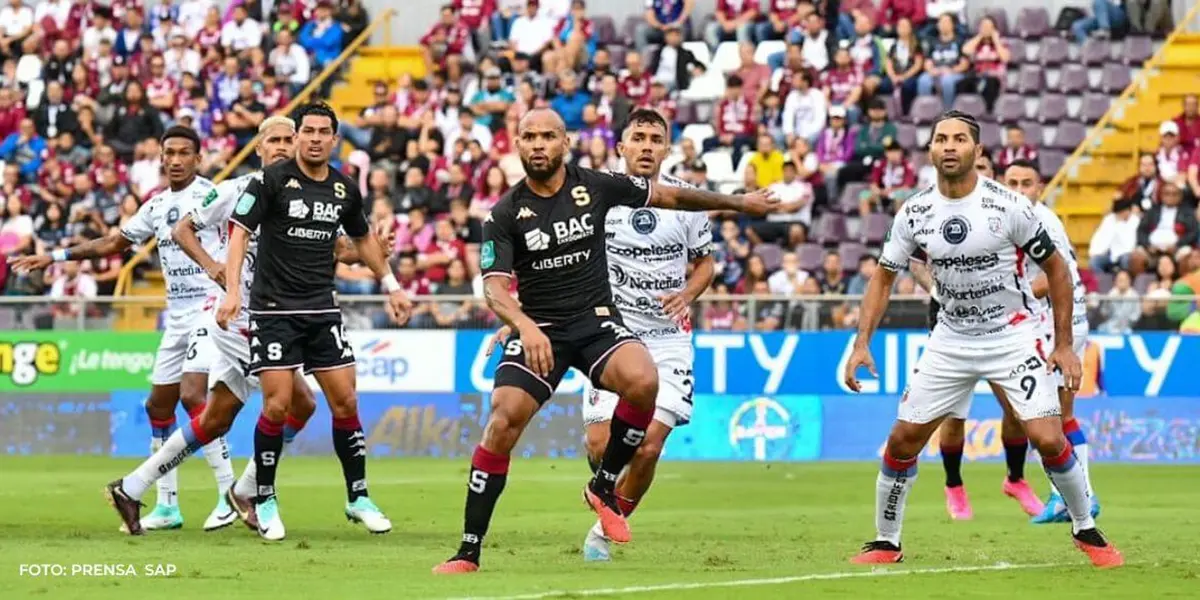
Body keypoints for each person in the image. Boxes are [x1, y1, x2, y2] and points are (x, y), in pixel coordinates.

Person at [432, 107, 777, 574]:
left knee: (642, 382)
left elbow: (672, 196)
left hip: (597, 323)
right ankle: (468, 550)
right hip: (542, 330)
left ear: (565, 142)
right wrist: (522, 323)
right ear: (516, 145)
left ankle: (603, 488)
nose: (538, 145)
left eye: (548, 136)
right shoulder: (504, 213)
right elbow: (493, 287)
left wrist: (739, 203)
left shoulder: (596, 186)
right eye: (529, 137)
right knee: (503, 420)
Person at [843, 111, 1121, 568]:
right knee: (902, 440)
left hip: (1012, 335)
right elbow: (883, 277)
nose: (948, 146)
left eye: (958, 139)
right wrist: (861, 343)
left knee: (1048, 438)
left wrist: (1064, 344)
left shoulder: (1009, 206)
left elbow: (1058, 270)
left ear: (976, 151)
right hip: (950, 339)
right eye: (940, 139)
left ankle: (1085, 528)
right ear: (930, 150)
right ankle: (885, 541)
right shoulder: (915, 211)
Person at [100, 117, 376, 535]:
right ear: (260, 147)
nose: (283, 146)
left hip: (275, 315)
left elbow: (337, 247)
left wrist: (365, 253)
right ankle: (249, 491)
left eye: (289, 139)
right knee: (296, 403)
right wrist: (215, 270)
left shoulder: (303, 193)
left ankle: (132, 487)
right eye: (275, 140)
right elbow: (182, 229)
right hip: (241, 319)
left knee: (217, 418)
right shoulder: (234, 190)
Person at [10, 127, 236, 533]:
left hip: (210, 306)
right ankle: (168, 505)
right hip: (178, 312)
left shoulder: (213, 195)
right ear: (161, 158)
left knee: (192, 396)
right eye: (170, 153)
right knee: (158, 406)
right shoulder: (156, 205)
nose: (177, 159)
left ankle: (227, 493)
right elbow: (115, 242)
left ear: (199, 159)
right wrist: (55, 256)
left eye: (186, 153)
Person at [215, 102, 414, 541]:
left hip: (322, 309)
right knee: (277, 405)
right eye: (308, 131)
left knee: (346, 402)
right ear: (299, 135)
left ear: (334, 138)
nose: (315, 138)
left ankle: (358, 496)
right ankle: (263, 497)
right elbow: (239, 231)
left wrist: (392, 284)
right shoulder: (271, 181)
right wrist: (232, 291)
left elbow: (360, 241)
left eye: (324, 131)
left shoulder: (344, 189)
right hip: (273, 311)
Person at [907, 148, 1042, 520]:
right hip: (951, 320)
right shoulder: (935, 209)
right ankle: (954, 485)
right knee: (955, 413)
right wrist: (936, 288)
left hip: (1003, 322)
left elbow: (1046, 264)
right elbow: (915, 260)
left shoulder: (1004, 212)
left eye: (983, 169)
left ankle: (1015, 478)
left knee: (1015, 408)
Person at [1003, 159, 1102, 524]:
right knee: (1049, 415)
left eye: (1026, 183)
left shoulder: (1042, 221)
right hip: (1048, 323)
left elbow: (1055, 276)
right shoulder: (1015, 219)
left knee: (1051, 416)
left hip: (1062, 326)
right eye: (1011, 182)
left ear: (1039, 187)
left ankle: (1079, 495)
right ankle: (1068, 494)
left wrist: (1006, 295)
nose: (1018, 190)